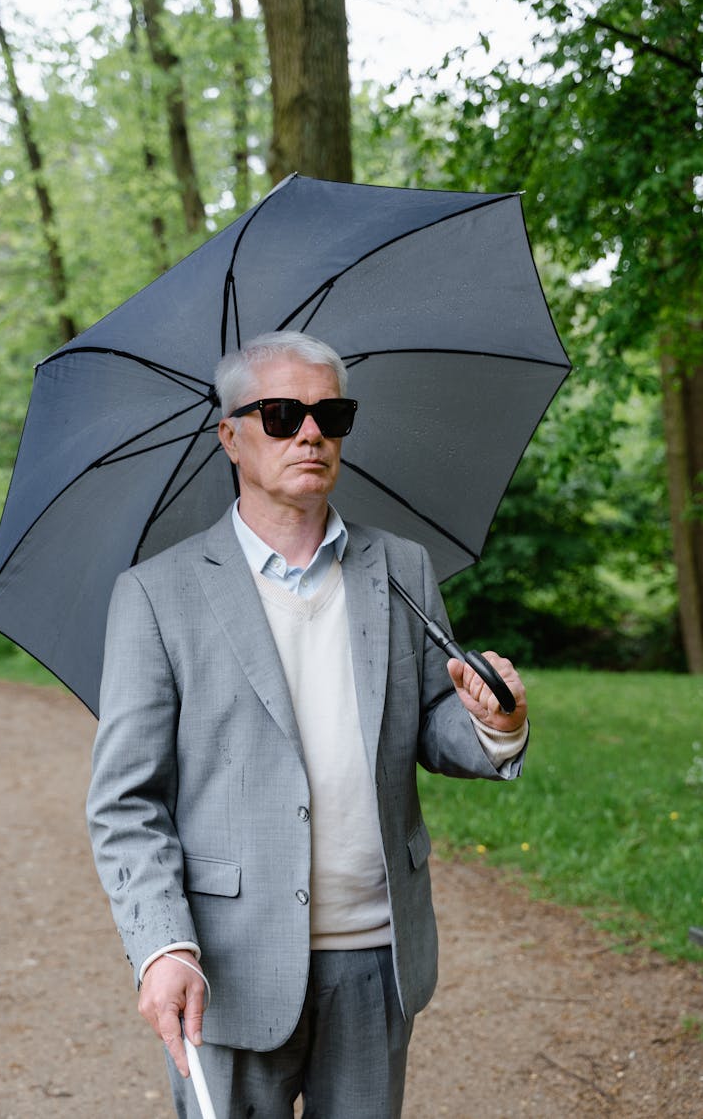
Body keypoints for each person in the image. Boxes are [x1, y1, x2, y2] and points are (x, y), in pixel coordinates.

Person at [87, 331, 529, 1119]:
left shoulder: (401, 568)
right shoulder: (157, 595)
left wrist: (493, 725)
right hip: (229, 963)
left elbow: (430, 723)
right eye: (283, 413)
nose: (311, 433)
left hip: (377, 952)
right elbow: (127, 800)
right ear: (230, 434)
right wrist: (163, 947)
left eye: (332, 413)